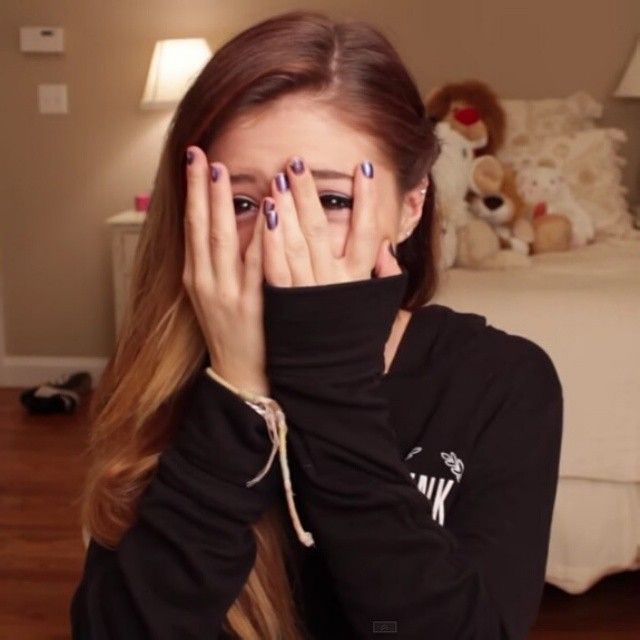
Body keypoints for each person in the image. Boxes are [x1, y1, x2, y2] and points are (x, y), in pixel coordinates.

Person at [69, 9, 563, 640]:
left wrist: (329, 380)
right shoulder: (158, 374)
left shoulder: (502, 381)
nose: (279, 241)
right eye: (241, 202)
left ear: (411, 208)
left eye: (330, 199)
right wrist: (238, 390)